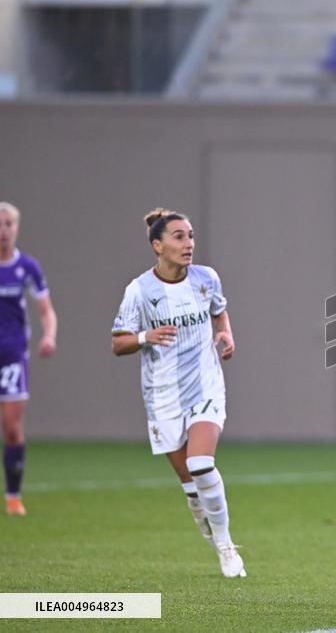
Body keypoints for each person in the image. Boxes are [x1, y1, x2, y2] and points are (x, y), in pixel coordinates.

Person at [111, 209, 245, 578]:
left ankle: (225, 545)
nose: (189, 244)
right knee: (191, 487)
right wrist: (144, 337)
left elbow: (219, 311)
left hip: (204, 384)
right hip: (162, 394)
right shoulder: (139, 291)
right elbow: (118, 344)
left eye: (190, 236)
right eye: (179, 237)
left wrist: (226, 334)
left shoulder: (206, 279)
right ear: (158, 245)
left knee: (201, 465)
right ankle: (207, 520)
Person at [0, 203, 57, 516]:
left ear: (16, 228)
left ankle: (12, 495)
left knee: (10, 427)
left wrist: (48, 336)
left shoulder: (27, 267)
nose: (3, 230)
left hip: (11, 355)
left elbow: (46, 310)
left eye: (8, 224)